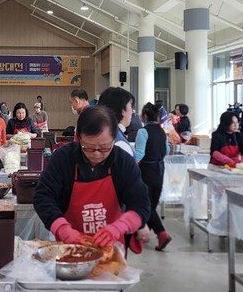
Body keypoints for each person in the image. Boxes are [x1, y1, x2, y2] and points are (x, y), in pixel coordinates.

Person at [33, 105, 150, 249]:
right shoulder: (63, 158)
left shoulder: (123, 162)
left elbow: (141, 204)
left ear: (114, 139)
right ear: (79, 138)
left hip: (112, 246)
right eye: (88, 147)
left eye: (104, 148)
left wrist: (119, 227)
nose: (96, 154)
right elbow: (43, 197)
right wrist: (62, 228)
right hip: (70, 245)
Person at [134, 103, 172, 251]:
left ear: (144, 116)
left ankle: (161, 233)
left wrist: (129, 165)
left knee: (146, 204)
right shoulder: (162, 131)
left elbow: (139, 153)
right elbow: (167, 150)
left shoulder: (143, 131)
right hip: (160, 170)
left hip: (147, 171)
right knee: (153, 202)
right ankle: (147, 229)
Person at [97, 87, 135, 156]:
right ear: (122, 110)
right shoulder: (120, 145)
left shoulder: (98, 133)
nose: (133, 111)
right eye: (131, 106)